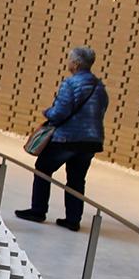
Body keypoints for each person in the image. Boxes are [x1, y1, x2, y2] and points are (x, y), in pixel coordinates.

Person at [15, 46, 108, 230]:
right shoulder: (100, 87)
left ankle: (38, 210)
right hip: (91, 141)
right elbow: (102, 109)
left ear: (76, 63)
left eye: (70, 59)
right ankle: (73, 219)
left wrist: (47, 112)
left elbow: (60, 112)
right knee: (76, 179)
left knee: (43, 168)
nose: (68, 62)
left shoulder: (71, 84)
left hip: (67, 138)